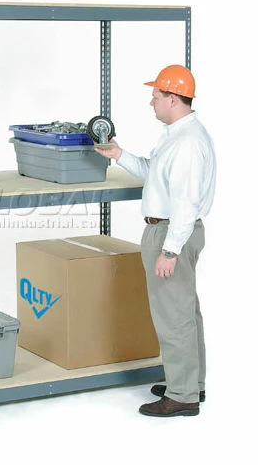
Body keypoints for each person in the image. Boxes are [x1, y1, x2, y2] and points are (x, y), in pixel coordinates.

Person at [95, 64, 216, 417]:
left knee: (173, 316)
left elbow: (185, 203)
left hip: (172, 233)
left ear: (173, 99)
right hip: (172, 230)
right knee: (185, 311)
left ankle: (182, 395)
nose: (152, 102)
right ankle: (191, 383)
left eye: (156, 96)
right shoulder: (178, 136)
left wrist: (169, 251)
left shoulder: (187, 143)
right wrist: (120, 155)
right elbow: (154, 174)